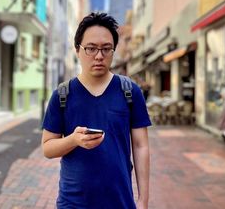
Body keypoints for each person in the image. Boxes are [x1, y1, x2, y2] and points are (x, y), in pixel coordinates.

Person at [41, 12, 151, 208]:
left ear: (113, 50)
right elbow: (47, 148)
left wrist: (143, 200)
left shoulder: (130, 92)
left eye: (106, 49)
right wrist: (74, 140)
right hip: (73, 203)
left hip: (120, 201)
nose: (99, 56)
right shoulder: (62, 95)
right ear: (77, 50)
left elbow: (141, 146)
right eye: (91, 48)